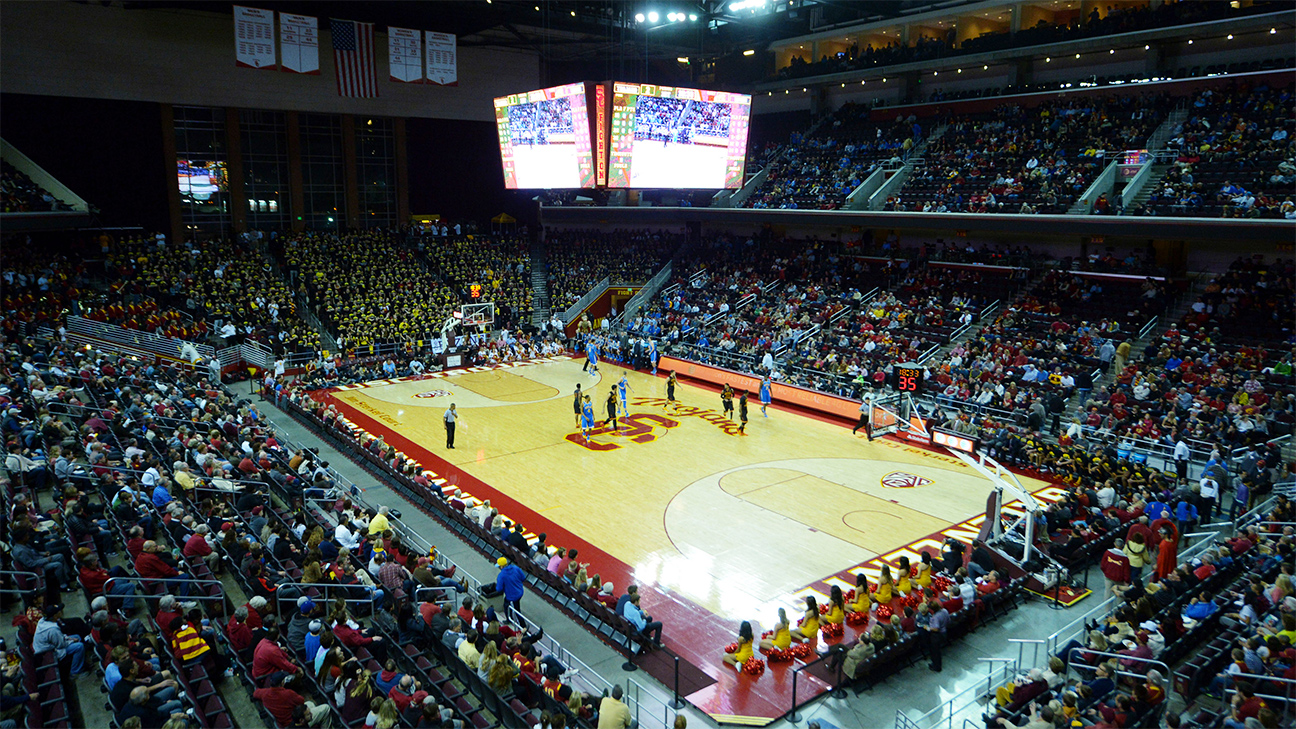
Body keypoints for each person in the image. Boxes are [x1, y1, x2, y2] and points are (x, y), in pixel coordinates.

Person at [254, 673, 333, 727]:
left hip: (282, 720)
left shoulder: (265, 693)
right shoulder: (287, 694)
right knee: (326, 708)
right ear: (282, 682)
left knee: (310, 703)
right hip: (294, 723)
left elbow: (255, 693)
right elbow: (301, 701)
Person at [33, 603, 86, 675]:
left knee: (77, 636)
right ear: (55, 616)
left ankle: (80, 660)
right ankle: (75, 671)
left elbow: (59, 638)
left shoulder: (42, 621)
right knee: (79, 646)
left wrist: (70, 638)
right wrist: (71, 640)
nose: (61, 612)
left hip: (49, 646)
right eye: (59, 612)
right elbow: (61, 645)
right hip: (48, 653)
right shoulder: (52, 629)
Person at [925, 599, 949, 672]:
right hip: (944, 632)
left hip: (937, 636)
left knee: (936, 652)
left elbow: (936, 628)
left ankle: (937, 667)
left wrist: (928, 628)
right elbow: (948, 619)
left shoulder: (935, 617)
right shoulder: (944, 611)